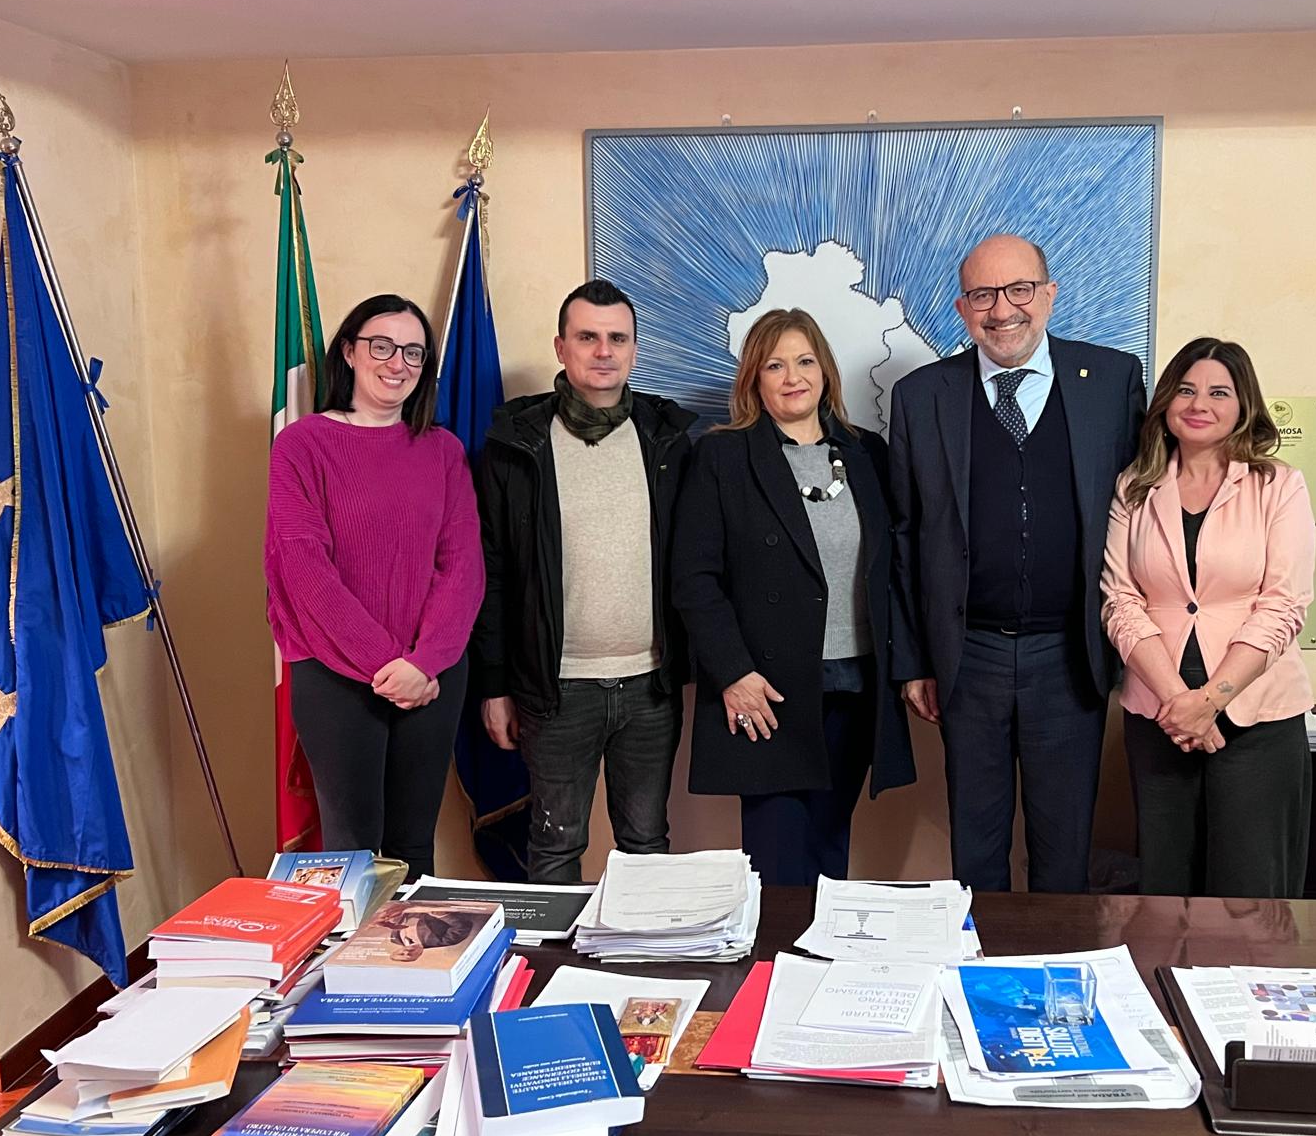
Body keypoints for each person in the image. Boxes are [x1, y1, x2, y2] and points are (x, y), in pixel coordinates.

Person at [889, 234, 1145, 893]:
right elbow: (905, 534)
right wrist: (914, 659)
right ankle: (980, 959)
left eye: (1019, 290)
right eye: (982, 295)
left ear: (1049, 295)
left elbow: (1146, 512)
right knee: (976, 849)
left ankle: (1059, 959)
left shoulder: (1112, 382)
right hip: (967, 654)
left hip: (1069, 655)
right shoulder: (921, 396)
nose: (1002, 310)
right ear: (961, 307)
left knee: (1064, 849)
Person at [672, 308, 915, 886]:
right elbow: (693, 579)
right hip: (767, 692)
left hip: (857, 684)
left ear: (825, 370)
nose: (792, 377)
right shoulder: (723, 456)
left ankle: (823, 948)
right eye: (774, 365)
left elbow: (895, 568)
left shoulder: (867, 454)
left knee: (830, 849)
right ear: (754, 379)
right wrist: (733, 673)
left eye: (804, 361)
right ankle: (777, 949)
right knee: (778, 863)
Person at [473, 280, 696, 884]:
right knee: (554, 850)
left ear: (634, 349)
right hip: (554, 689)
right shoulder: (516, 444)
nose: (604, 351)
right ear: (561, 347)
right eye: (588, 337)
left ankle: (640, 948)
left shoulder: (667, 438)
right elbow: (493, 574)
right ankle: (555, 954)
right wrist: (494, 685)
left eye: (617, 338)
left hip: (650, 685)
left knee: (646, 843)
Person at [265, 294, 483, 881]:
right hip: (335, 672)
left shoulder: (443, 450)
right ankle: (351, 949)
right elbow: (304, 568)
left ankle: (413, 945)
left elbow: (462, 565)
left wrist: (424, 662)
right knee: (352, 847)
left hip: (432, 673)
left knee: (414, 844)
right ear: (349, 352)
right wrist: (386, 663)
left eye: (413, 352)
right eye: (381, 346)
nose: (397, 363)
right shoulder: (302, 444)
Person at [1101, 336, 1316, 898]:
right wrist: (1180, 704)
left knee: (1250, 893)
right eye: (1186, 390)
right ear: (1166, 402)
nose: (1199, 404)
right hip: (1160, 715)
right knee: (1165, 887)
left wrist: (1210, 700)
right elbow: (1120, 600)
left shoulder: (1278, 485)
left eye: (1219, 392)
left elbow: (1284, 603)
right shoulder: (1135, 487)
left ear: (1244, 405)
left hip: (1257, 715)